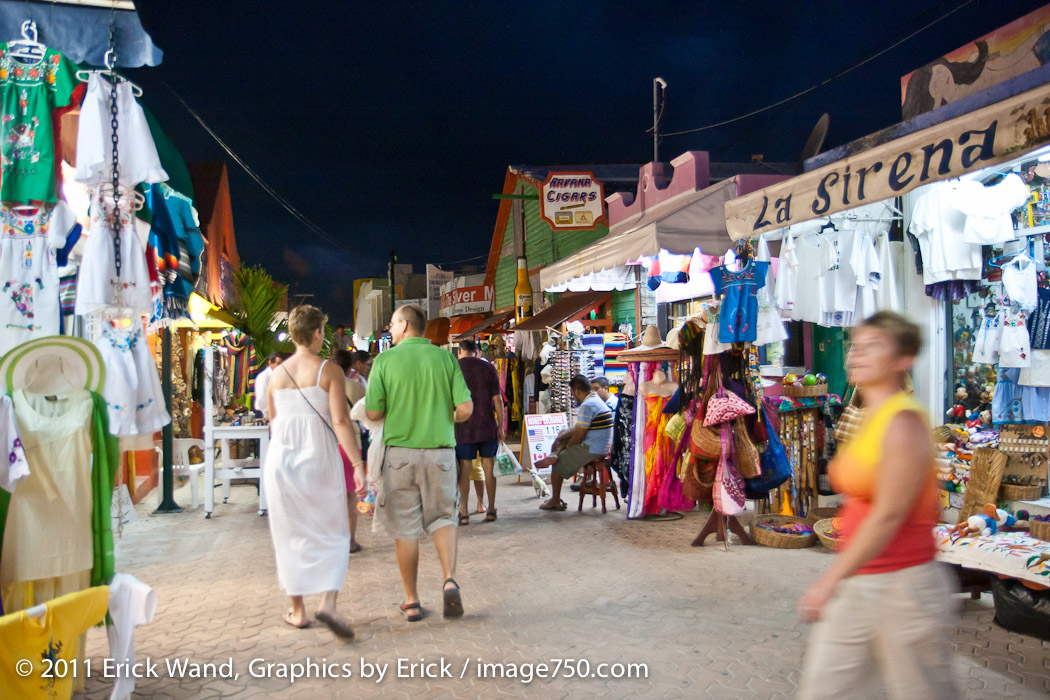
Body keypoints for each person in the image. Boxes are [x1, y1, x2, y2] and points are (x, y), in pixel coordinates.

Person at [797, 311, 956, 699]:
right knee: (824, 688)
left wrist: (829, 580)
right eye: (855, 346)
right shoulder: (869, 416)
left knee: (920, 690)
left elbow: (888, 515)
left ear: (903, 360)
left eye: (873, 347)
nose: (856, 355)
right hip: (863, 579)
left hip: (905, 586)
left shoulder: (904, 422)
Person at [263, 305, 366, 640]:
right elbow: (340, 422)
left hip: (281, 461)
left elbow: (273, 421)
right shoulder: (329, 371)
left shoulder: (274, 376)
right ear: (319, 333)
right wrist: (357, 464)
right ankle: (328, 603)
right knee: (334, 531)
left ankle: (297, 611)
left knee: (288, 534)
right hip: (319, 459)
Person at [365, 304, 473, 622]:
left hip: (399, 456)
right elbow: (465, 409)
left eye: (392, 323)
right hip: (440, 454)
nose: (389, 328)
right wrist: (443, 416)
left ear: (405, 325)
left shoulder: (385, 360)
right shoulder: (445, 358)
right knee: (443, 519)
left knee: (406, 529)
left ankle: (411, 600)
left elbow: (372, 413)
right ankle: (449, 580)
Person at [536, 374, 613, 511]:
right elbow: (579, 428)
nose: (573, 397)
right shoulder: (596, 400)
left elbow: (578, 436)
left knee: (559, 462)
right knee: (564, 434)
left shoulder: (588, 405)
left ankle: (555, 500)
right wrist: (562, 437)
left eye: (573, 394)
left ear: (577, 391)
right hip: (600, 445)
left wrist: (567, 446)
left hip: (593, 448)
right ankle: (555, 453)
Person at [454, 339, 505, 524]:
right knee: (489, 468)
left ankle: (464, 512)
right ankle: (490, 510)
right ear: (478, 352)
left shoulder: (454, 368)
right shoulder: (488, 368)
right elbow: (498, 399)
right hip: (486, 425)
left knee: (465, 468)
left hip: (463, 426)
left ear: (460, 351)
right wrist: (501, 425)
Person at [331, 349, 368, 554]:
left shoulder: (322, 387)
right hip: (351, 444)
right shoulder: (355, 387)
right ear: (349, 367)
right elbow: (367, 412)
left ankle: (332, 539)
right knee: (350, 496)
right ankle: (350, 541)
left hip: (329, 442)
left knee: (331, 495)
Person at [253, 352, 285, 418]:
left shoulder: (278, 375)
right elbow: (262, 399)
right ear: (270, 363)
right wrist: (268, 416)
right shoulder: (263, 377)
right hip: (264, 414)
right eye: (278, 364)